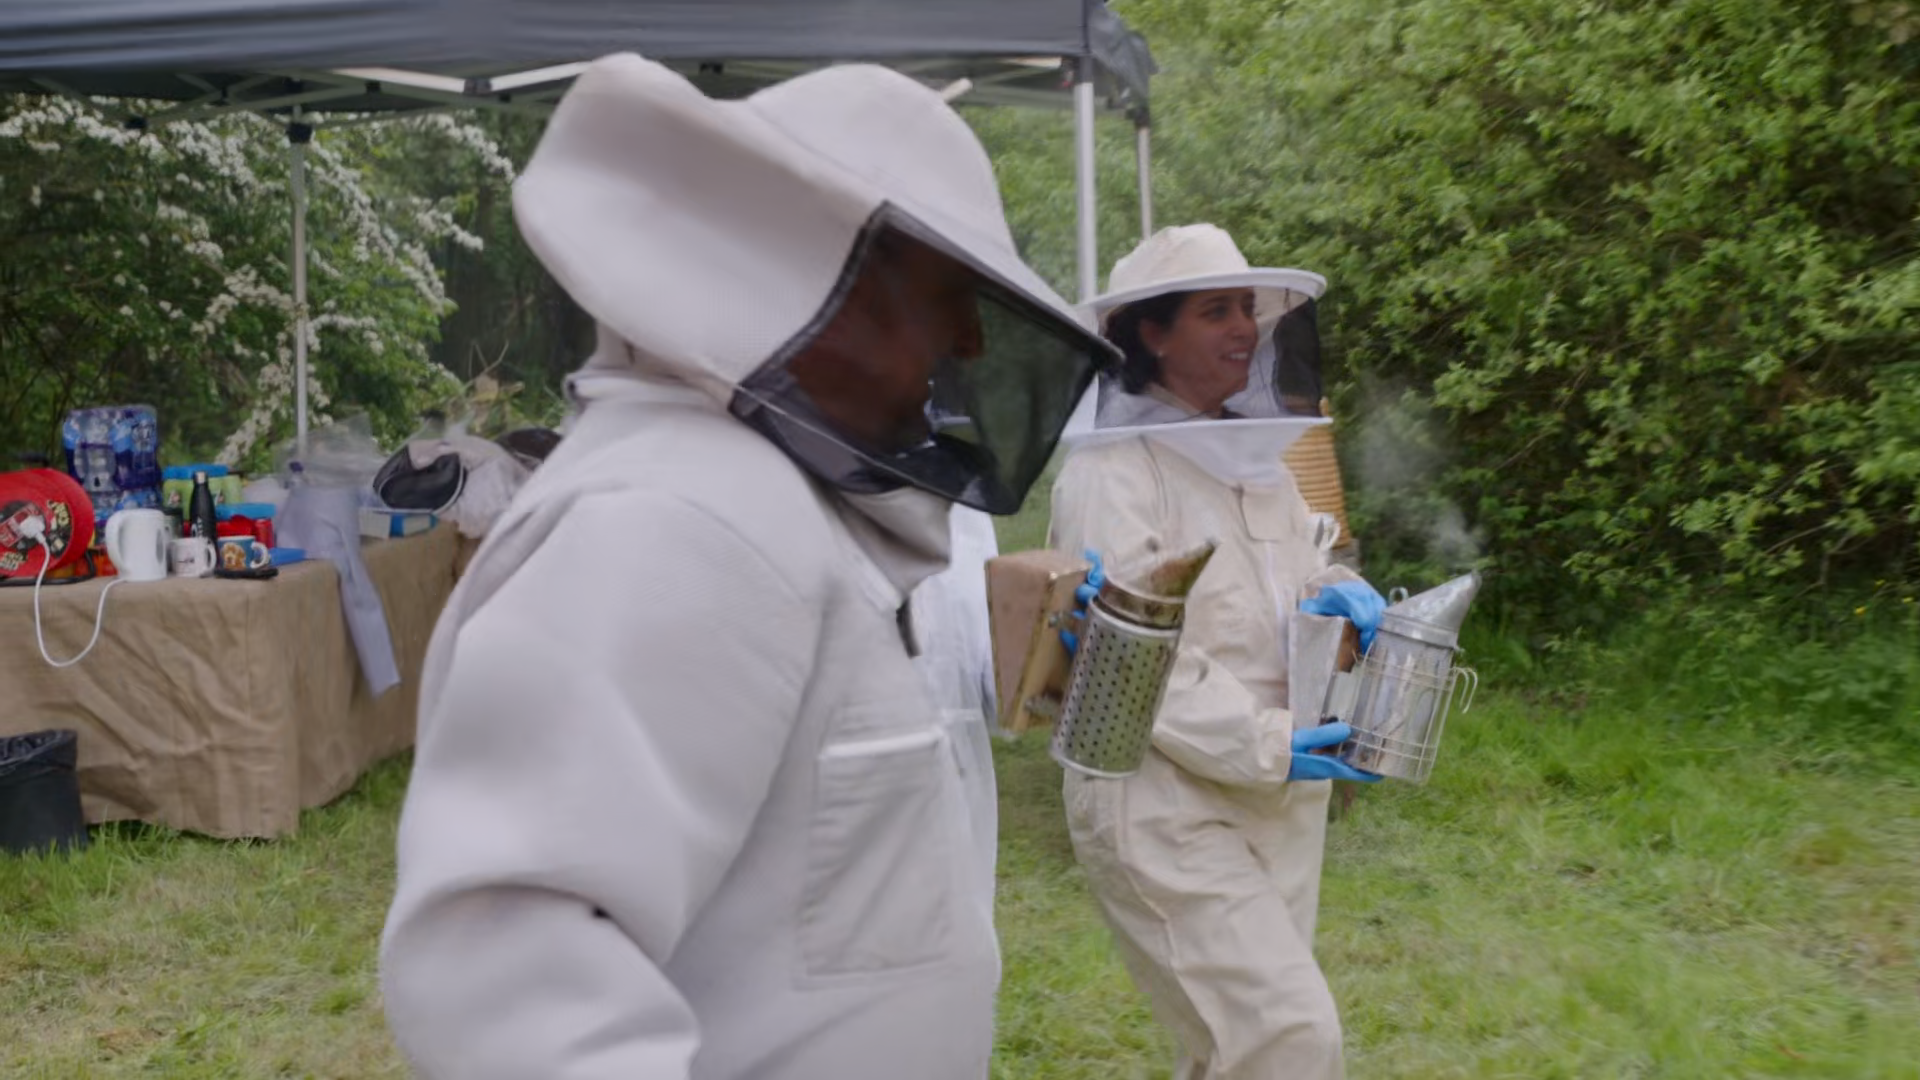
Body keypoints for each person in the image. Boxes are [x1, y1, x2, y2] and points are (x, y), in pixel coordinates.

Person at [378, 53, 1115, 1079]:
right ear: (818, 278)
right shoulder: (677, 515)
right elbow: (510, 974)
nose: (970, 342)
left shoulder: (762, 495)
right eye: (948, 295)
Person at [1048, 224, 1386, 1080]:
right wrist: (1272, 742)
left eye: (1248, 308)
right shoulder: (1112, 473)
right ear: (1152, 333)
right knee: (1288, 1037)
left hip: (1276, 797)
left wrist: (1339, 596)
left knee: (1233, 1051)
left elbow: (1294, 578)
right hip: (1162, 799)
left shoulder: (1259, 463)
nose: (1244, 328)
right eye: (1215, 311)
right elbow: (1131, 658)